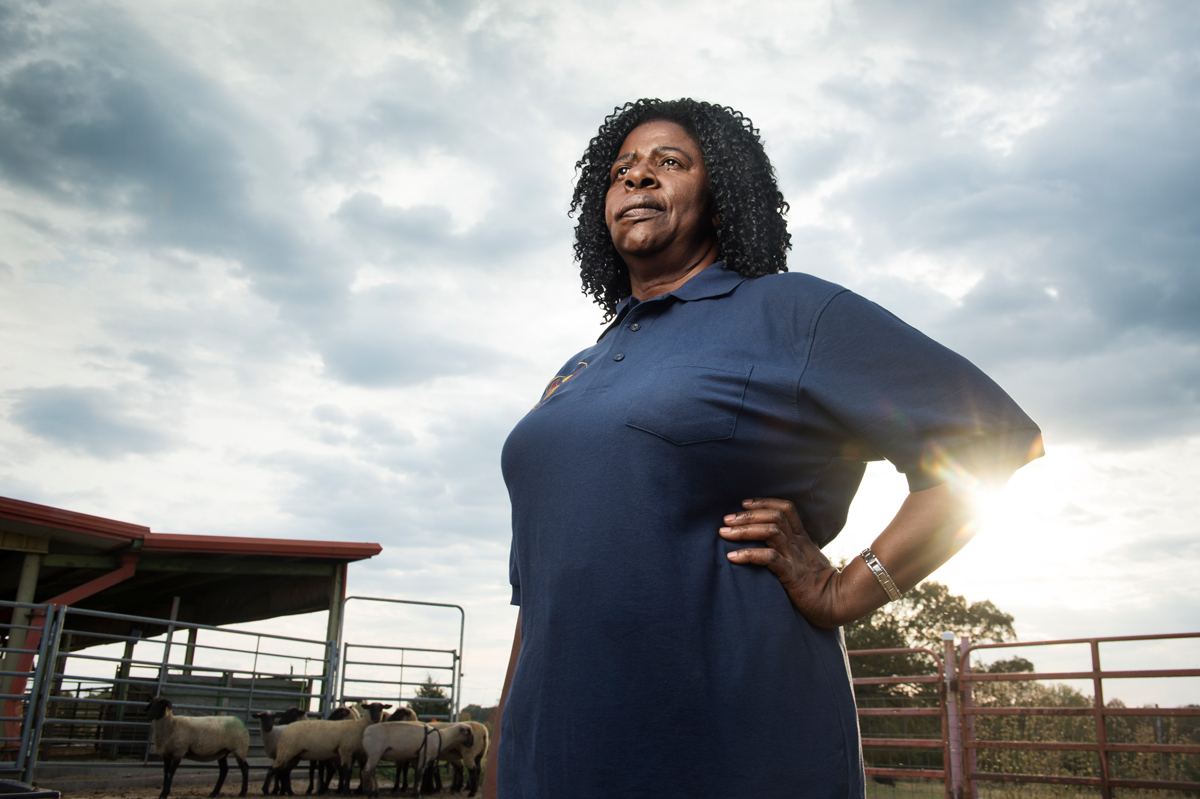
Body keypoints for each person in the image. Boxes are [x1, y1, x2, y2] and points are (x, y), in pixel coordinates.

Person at [483, 99, 1042, 798]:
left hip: (735, 752)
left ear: (721, 201)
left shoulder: (792, 313)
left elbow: (990, 439)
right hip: (553, 760)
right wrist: (499, 760)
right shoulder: (575, 371)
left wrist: (847, 589)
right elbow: (537, 599)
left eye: (670, 163)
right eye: (622, 169)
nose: (638, 177)